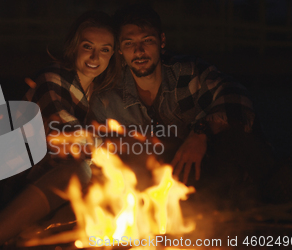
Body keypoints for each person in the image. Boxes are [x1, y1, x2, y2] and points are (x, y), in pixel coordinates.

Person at [87, 4, 275, 206]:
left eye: (147, 41)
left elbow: (238, 98)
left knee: (237, 137)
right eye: (129, 43)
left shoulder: (187, 74)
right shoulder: (109, 99)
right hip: (155, 189)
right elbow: (99, 155)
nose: (139, 51)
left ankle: (269, 196)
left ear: (162, 41)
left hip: (214, 169)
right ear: (120, 51)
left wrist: (201, 132)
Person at [0, 11, 120, 249]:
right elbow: (68, 131)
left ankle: (30, 239)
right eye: (88, 46)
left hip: (56, 186)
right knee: (81, 171)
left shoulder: (100, 94)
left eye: (104, 49)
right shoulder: (52, 76)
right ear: (74, 46)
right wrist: (112, 154)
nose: (95, 56)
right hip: (14, 183)